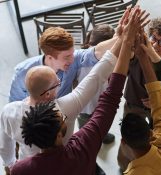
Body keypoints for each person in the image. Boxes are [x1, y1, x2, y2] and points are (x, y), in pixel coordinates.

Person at [10, 7, 146, 175]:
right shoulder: (67, 113)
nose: (72, 59)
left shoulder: (20, 168)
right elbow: (103, 90)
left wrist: (119, 37)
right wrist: (126, 42)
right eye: (67, 56)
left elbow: (93, 54)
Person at [118, 17, 161, 171]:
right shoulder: (138, 52)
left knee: (154, 139)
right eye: (154, 38)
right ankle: (123, 166)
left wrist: (158, 99)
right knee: (129, 141)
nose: (154, 44)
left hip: (157, 111)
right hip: (134, 104)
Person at [77, 24, 116, 144]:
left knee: (96, 121)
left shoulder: (81, 54)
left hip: (90, 101)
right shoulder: (80, 58)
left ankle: (100, 136)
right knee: (87, 125)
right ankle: (87, 140)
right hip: (85, 102)